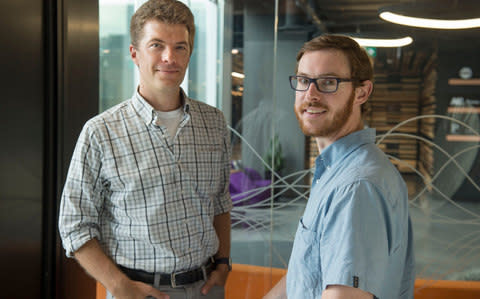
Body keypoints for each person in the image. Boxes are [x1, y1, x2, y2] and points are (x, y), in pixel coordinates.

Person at [58, 1, 232, 298]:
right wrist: (117, 285)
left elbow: (220, 202)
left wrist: (224, 264)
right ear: (134, 54)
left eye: (180, 47)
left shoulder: (214, 122)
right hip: (139, 290)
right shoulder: (101, 132)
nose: (169, 57)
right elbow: (75, 226)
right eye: (156, 45)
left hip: (207, 288)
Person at [264, 34, 415, 299]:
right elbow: (305, 273)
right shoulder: (336, 171)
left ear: (362, 92)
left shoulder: (355, 187)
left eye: (328, 82)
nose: (310, 94)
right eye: (303, 80)